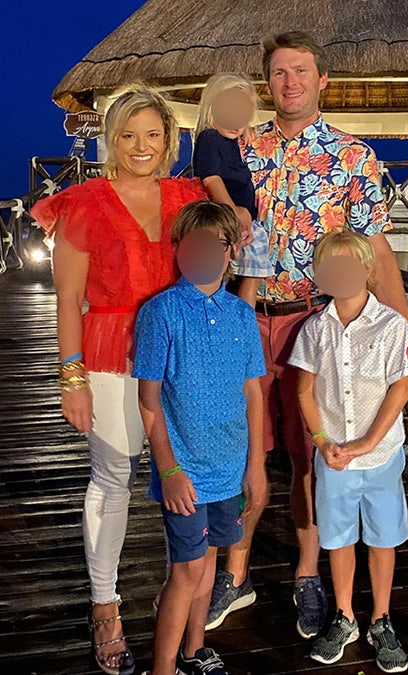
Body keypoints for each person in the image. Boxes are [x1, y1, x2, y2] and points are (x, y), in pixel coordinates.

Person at [205, 31, 408, 639]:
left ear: (323, 80)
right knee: (242, 452)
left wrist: (401, 326)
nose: (289, 82)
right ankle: (236, 573)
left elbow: (373, 249)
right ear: (265, 83)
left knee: (308, 457)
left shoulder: (353, 157)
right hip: (246, 317)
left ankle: (306, 575)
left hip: (312, 320)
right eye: (277, 73)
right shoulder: (238, 147)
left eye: (301, 71)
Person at [30, 84, 218, 675]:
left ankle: (187, 599)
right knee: (113, 474)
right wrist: (71, 377)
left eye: (153, 134)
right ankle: (105, 605)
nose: (141, 146)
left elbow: (236, 237)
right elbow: (67, 301)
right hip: (110, 354)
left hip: (181, 355)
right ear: (111, 139)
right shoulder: (81, 202)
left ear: (171, 139)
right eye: (128, 135)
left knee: (187, 471)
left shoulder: (189, 196)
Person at [133, 201, 266, 675]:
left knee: (209, 565)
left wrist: (256, 468)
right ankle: (163, 667)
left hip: (231, 471)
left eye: (216, 245)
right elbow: (149, 400)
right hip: (184, 473)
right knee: (185, 571)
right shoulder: (160, 313)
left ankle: (195, 651)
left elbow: (254, 394)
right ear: (178, 250)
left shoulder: (242, 316)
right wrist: (168, 470)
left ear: (231, 253)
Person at [290, 230, 408, 673]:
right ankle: (344, 614)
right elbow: (305, 388)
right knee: (339, 538)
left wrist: (367, 442)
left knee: (382, 538)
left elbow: (400, 388)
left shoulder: (393, 325)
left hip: (380, 457)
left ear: (366, 270)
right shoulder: (314, 328)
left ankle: (381, 618)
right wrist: (323, 441)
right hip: (334, 458)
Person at [191, 72, 265, 306]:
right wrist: (233, 210)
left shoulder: (232, 143)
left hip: (240, 221)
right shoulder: (210, 139)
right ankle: (244, 318)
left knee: (247, 272)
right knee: (250, 271)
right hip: (227, 220)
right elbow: (211, 179)